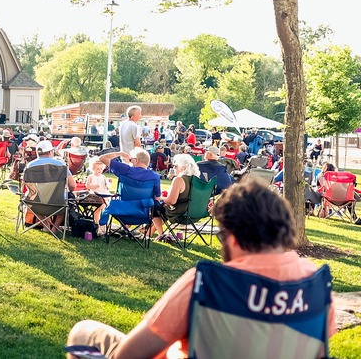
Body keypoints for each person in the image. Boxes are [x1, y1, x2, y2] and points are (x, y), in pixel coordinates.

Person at [66, 180, 337, 358]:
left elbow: (130, 355)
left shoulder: (208, 284)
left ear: (231, 236)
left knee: (83, 331)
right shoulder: (316, 286)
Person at [25, 140, 78, 232]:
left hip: (36, 203)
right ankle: (55, 227)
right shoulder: (61, 165)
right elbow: (72, 186)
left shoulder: (29, 166)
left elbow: (27, 186)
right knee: (67, 200)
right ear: (50, 152)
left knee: (31, 198)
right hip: (57, 203)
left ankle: (46, 225)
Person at [148, 154, 200, 239]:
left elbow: (171, 201)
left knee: (154, 205)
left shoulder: (179, 179)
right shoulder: (197, 180)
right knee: (163, 207)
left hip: (180, 214)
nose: (173, 168)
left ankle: (161, 234)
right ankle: (151, 231)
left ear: (183, 167)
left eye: (175, 166)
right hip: (195, 213)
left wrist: (158, 198)